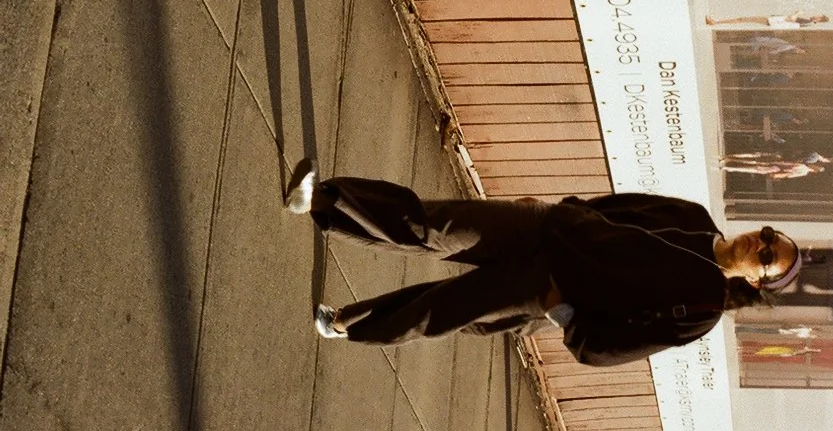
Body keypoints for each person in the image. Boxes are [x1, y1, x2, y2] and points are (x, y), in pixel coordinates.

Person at [283, 160, 803, 366]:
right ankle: (325, 202)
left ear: (759, 281)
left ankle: (347, 325)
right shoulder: (693, 216)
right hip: (542, 227)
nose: (756, 246)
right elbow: (615, 208)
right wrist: (562, 208)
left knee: (438, 310)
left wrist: (564, 315)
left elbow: (622, 346)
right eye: (766, 237)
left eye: (765, 258)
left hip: (547, 287)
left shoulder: (704, 306)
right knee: (432, 225)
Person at [706, 11, 829, 29]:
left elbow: (791, 20)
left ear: (819, 20)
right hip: (773, 21)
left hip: (772, 21)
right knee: (744, 19)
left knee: (743, 19)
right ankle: (715, 22)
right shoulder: (808, 23)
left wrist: (797, 12)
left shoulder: (808, 22)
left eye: (818, 16)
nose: (816, 15)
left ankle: (715, 22)